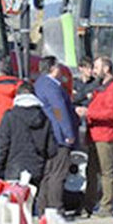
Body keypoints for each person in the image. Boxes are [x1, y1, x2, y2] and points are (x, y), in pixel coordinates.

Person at [76, 56, 113, 218]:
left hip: (106, 136)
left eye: (96, 67)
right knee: (91, 171)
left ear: (106, 69)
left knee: (106, 172)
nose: (94, 71)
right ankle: (88, 205)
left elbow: (111, 113)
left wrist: (88, 113)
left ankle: (106, 206)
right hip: (95, 135)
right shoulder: (101, 87)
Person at [34, 56, 79, 215]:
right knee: (58, 173)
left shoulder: (40, 84)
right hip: (59, 135)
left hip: (49, 134)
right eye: (58, 67)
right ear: (53, 69)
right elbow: (59, 110)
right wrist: (68, 132)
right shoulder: (52, 87)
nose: (61, 70)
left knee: (48, 173)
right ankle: (55, 208)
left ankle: (43, 207)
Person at [0, 82, 56, 185]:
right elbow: (52, 150)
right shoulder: (44, 118)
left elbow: (1, 145)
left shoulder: (10, 116)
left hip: (13, 169)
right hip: (36, 169)